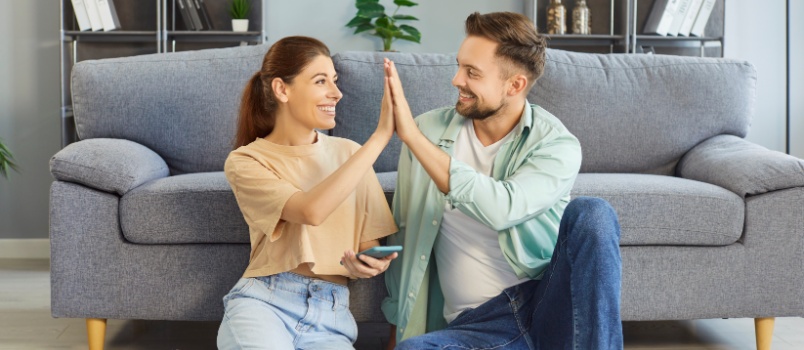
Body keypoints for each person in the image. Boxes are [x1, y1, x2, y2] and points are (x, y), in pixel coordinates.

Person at [380, 12, 623, 349]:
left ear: (515, 85)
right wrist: (397, 331)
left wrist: (412, 139)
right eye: (459, 66)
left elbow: (503, 207)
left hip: (545, 305)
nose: (456, 80)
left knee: (593, 213)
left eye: (472, 73)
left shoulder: (555, 144)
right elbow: (406, 232)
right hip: (477, 327)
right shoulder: (427, 132)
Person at [216, 36, 399, 350]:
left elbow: (368, 245)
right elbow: (309, 211)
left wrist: (367, 263)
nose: (336, 93)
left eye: (335, 81)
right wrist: (381, 137)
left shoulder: (350, 154)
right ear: (282, 89)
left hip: (331, 316)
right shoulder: (246, 161)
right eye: (320, 81)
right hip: (265, 304)